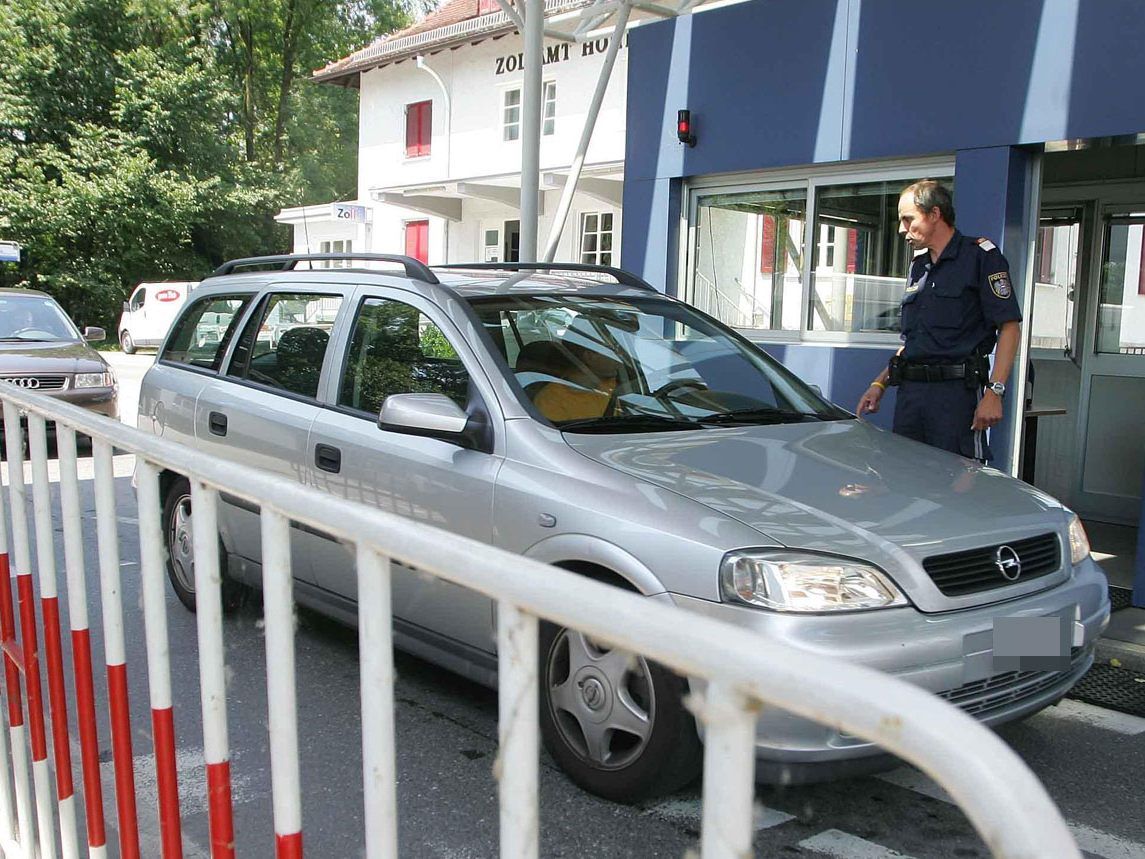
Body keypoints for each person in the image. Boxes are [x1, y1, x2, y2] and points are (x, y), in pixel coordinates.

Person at [855, 180, 1022, 462]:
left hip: (954, 396)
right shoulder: (918, 266)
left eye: (908, 220)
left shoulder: (981, 257)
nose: (901, 230)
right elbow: (915, 341)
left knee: (954, 482)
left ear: (934, 214)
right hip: (911, 396)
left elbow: (1009, 327)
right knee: (905, 477)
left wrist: (995, 391)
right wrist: (879, 383)